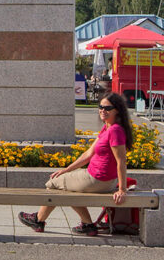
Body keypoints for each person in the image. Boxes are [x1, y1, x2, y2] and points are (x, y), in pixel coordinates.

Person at [18, 92, 131, 236]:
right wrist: (66, 170)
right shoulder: (107, 127)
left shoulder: (115, 130)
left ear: (117, 110)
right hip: (98, 178)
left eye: (107, 108)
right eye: (100, 107)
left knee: (53, 183)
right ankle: (82, 224)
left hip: (98, 179)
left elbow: (121, 160)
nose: (103, 110)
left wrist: (122, 190)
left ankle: (41, 220)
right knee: (63, 185)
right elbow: (87, 155)